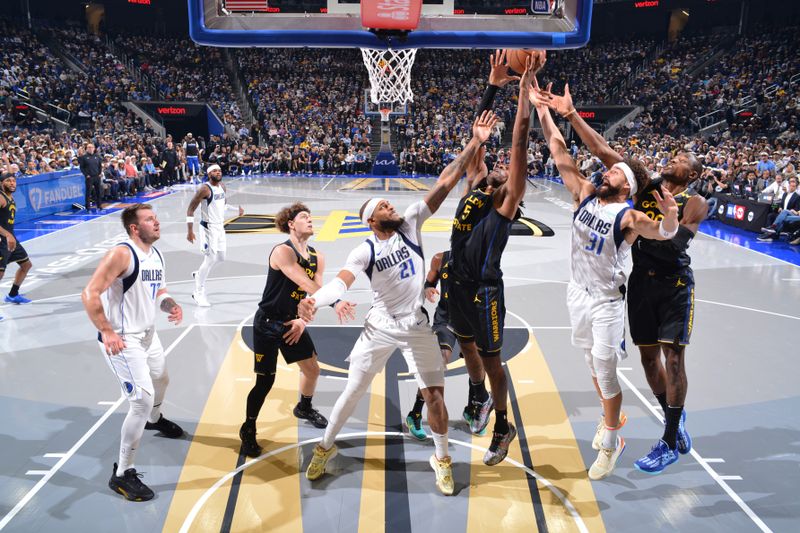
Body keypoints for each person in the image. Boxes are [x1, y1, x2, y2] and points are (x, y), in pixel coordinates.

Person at [298, 110, 500, 496]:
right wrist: (314, 301)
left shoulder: (410, 224)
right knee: (352, 391)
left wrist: (476, 142)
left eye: (390, 205)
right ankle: (325, 447)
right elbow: (341, 283)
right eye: (384, 207)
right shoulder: (365, 249)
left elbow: (445, 182)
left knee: (434, 395)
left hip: (416, 326)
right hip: (379, 326)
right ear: (372, 219)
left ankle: (441, 459)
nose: (392, 207)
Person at [537, 81, 707, 474]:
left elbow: (675, 243)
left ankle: (667, 438)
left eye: (683, 158)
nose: (675, 157)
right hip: (640, 283)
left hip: (674, 285)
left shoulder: (693, 202)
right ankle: (673, 418)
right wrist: (569, 114)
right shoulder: (643, 186)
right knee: (649, 363)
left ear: (693, 174)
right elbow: (598, 150)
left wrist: (658, 221)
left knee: (673, 359)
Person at [446, 54, 540, 466]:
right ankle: (478, 398)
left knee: (492, 361)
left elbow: (517, 139)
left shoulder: (503, 207)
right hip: (456, 286)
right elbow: (479, 137)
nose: (499, 169)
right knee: (467, 349)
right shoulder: (475, 186)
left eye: (506, 173)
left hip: (485, 294)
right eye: (494, 168)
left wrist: (523, 93)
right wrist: (494, 85)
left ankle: (503, 425)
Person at [81, 204, 184, 501]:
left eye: (156, 217)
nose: (157, 222)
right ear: (134, 228)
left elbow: (159, 292)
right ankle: (122, 473)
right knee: (141, 400)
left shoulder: (156, 254)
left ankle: (155, 419)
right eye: (150, 219)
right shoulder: (122, 253)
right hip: (123, 339)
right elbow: (89, 293)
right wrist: (107, 330)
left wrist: (171, 305)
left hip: (148, 334)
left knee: (161, 380)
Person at [239, 203, 355, 457]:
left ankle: (304, 407)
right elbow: (303, 281)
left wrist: (304, 319)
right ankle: (248, 428)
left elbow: (316, 295)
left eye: (311, 217)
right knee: (265, 381)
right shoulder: (283, 251)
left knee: (312, 369)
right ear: (291, 224)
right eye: (304, 217)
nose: (310, 220)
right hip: (268, 324)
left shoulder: (318, 257)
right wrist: (336, 301)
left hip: (293, 322)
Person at [405, 250, 457, 440]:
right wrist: (428, 288)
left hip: (473, 320)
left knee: (478, 362)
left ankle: (474, 408)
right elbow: (429, 282)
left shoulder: (482, 260)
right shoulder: (440, 259)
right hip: (447, 319)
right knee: (438, 362)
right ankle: (415, 413)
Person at [185, 164, 243, 306]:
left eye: (219, 171)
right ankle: (198, 292)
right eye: (215, 171)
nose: (218, 172)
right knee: (210, 259)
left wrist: (237, 210)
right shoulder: (204, 189)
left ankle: (199, 274)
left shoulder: (222, 186)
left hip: (219, 227)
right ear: (209, 173)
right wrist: (190, 230)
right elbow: (190, 209)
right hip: (208, 228)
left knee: (221, 257)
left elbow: (223, 205)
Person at [0, 173, 34, 312]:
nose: (12, 183)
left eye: (14, 181)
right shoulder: (1, 197)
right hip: (3, 239)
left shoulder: (9, 196)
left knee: (26, 265)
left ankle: (13, 294)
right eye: (8, 181)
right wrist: (7, 235)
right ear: (2, 183)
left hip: (10, 238)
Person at [79, 143, 103, 210]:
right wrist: (86, 175)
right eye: (89, 147)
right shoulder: (84, 157)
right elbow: (82, 168)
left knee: (98, 191)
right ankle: (88, 206)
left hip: (97, 176)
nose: (90, 148)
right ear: (86, 149)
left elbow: (100, 166)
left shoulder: (97, 156)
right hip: (89, 177)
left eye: (91, 147)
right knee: (88, 192)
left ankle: (99, 205)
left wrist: (100, 173)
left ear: (94, 148)